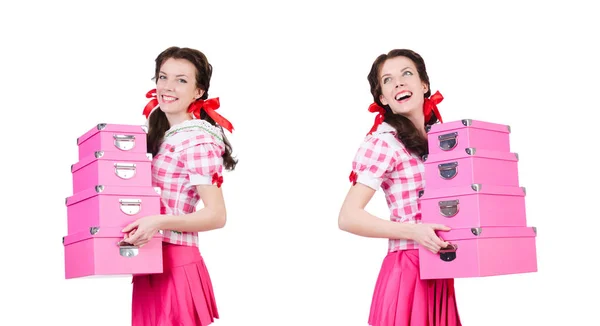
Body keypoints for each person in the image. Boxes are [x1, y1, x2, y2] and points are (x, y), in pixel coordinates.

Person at [338, 49, 461, 325]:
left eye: (407, 74)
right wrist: (414, 232)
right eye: (388, 80)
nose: (399, 83)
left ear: (424, 85)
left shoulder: (445, 141)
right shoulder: (383, 143)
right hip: (407, 270)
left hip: (441, 269)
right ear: (382, 98)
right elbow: (348, 217)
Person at [121, 46, 237, 326]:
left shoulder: (197, 138)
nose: (168, 87)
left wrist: (156, 221)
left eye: (181, 80)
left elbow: (216, 214)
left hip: (175, 264)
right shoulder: (164, 135)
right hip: (149, 263)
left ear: (199, 92)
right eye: (163, 77)